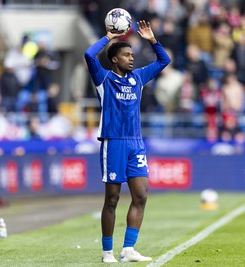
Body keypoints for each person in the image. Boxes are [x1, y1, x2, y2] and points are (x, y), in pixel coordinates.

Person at [84, 20, 170, 263]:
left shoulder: (139, 78)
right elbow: (89, 54)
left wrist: (152, 40)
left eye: (132, 54)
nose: (132, 59)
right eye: (126, 55)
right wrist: (108, 38)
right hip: (114, 142)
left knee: (141, 195)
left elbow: (164, 61)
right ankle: (107, 252)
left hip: (136, 142)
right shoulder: (103, 79)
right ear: (114, 59)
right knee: (112, 198)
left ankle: (128, 249)